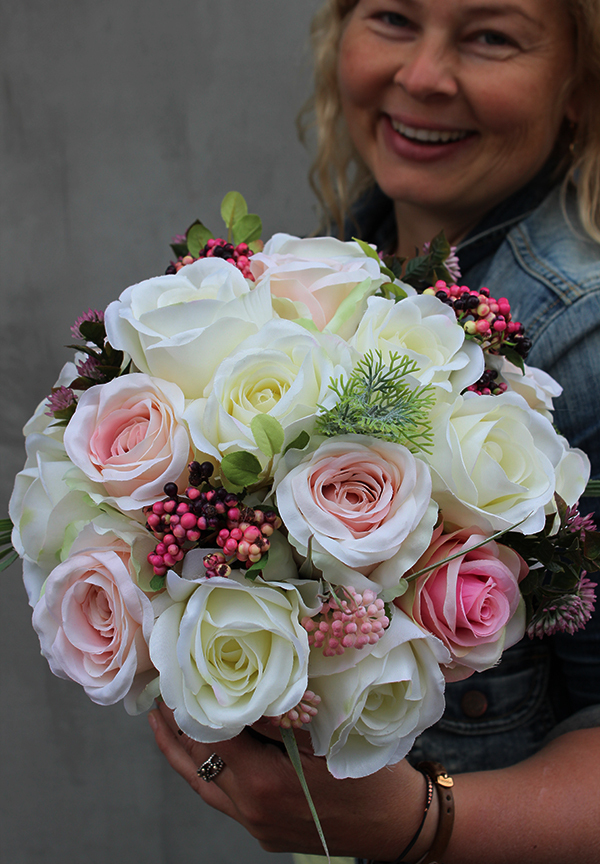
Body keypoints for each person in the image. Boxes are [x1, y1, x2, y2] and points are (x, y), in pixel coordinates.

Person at [149, 1, 600, 861]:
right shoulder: (348, 258)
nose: (424, 76)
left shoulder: (584, 338)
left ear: (578, 82)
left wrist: (418, 825)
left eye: (490, 35)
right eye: (393, 17)